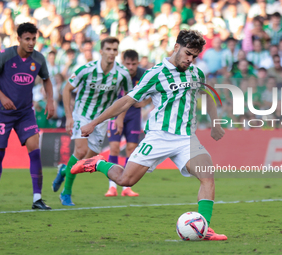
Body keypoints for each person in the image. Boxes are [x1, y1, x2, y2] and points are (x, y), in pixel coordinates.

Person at [71, 30, 227, 241]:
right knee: (126, 180)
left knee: (207, 176)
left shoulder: (196, 74)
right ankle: (98, 163)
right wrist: (95, 122)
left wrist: (215, 122)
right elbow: (126, 101)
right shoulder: (155, 73)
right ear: (176, 47)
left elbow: (207, 94)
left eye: (194, 56)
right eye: (188, 53)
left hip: (186, 138)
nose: (190, 59)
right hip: (159, 136)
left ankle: (205, 227)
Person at [52, 37, 133, 206]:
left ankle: (64, 170)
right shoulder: (86, 69)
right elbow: (66, 89)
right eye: (108, 49)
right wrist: (69, 116)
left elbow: (128, 98)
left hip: (101, 120)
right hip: (82, 114)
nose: (112, 52)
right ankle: (66, 193)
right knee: (80, 152)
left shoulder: (122, 74)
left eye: (114, 49)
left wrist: (120, 118)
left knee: (84, 163)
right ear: (101, 51)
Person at [0, 22, 54, 210]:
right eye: (27, 39)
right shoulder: (6, 55)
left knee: (35, 151)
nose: (31, 43)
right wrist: (3, 96)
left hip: (25, 113)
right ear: (19, 39)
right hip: (3, 113)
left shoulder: (38, 59)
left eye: (34, 39)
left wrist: (50, 101)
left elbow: (47, 80)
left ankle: (37, 199)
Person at [105, 50, 148, 197]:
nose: (130, 67)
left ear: (138, 63)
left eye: (134, 64)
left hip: (134, 115)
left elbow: (156, 91)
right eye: (127, 64)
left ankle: (126, 188)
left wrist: (145, 102)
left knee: (131, 149)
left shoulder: (144, 74)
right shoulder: (116, 73)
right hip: (116, 113)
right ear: (123, 63)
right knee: (115, 148)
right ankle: (112, 186)